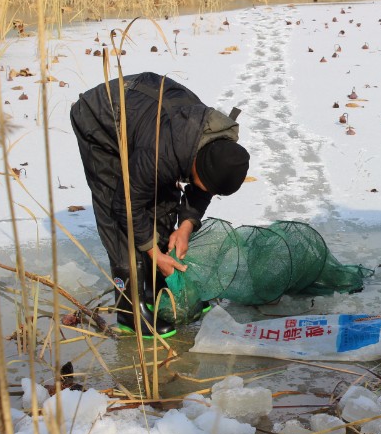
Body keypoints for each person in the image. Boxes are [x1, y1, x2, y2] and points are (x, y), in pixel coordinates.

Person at [71, 72, 250, 338]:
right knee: (116, 205)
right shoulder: (162, 154)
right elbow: (127, 204)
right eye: (204, 185)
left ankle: (157, 286)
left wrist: (186, 225)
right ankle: (130, 310)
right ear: (196, 165)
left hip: (147, 119)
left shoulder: (215, 144)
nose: (205, 192)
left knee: (162, 198)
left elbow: (200, 188)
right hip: (101, 119)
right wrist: (154, 252)